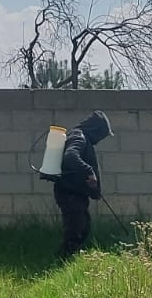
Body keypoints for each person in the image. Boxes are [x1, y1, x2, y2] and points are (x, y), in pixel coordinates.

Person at [47, 111, 113, 260]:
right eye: (102, 134)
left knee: (83, 228)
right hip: (69, 193)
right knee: (75, 230)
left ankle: (69, 258)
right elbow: (70, 156)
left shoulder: (81, 137)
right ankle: (63, 260)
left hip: (75, 193)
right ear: (96, 130)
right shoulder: (79, 136)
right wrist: (89, 171)